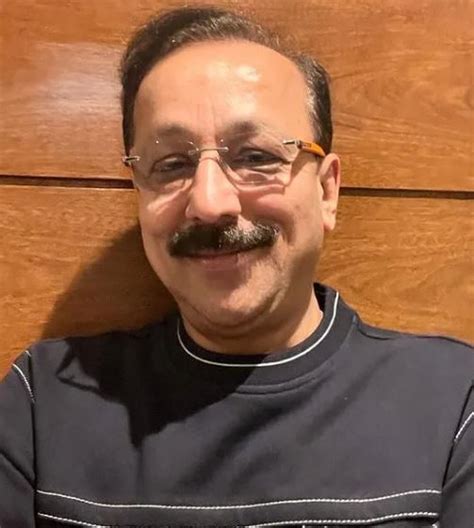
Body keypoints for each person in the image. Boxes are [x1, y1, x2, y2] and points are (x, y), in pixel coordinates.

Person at [1, 6, 472, 527]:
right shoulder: (45, 404)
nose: (209, 203)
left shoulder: (449, 404)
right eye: (171, 164)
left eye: (255, 157)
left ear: (326, 191)